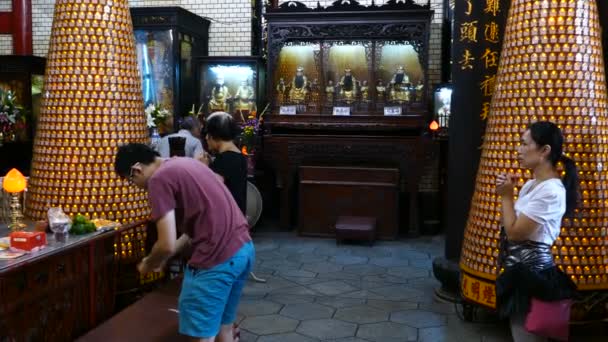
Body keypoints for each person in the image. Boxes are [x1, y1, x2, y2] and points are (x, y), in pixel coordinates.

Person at [114, 143, 254, 342]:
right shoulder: (184, 164)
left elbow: (166, 243)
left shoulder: (158, 180)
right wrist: (163, 257)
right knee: (224, 328)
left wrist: (149, 263)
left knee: (201, 336)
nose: (135, 186)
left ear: (136, 170)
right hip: (243, 250)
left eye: (130, 181)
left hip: (217, 260)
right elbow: (191, 233)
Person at [495, 121, 578, 342]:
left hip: (534, 277)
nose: (518, 150)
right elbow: (508, 225)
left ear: (544, 150)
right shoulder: (531, 186)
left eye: (524, 144)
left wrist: (505, 196)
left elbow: (514, 233)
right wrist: (508, 198)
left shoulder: (551, 191)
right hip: (518, 274)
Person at [199, 112, 248, 215]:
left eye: (208, 134)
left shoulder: (224, 159)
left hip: (227, 218)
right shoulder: (239, 156)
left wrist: (203, 168)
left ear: (215, 135)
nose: (206, 138)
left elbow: (212, 189)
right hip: (237, 216)